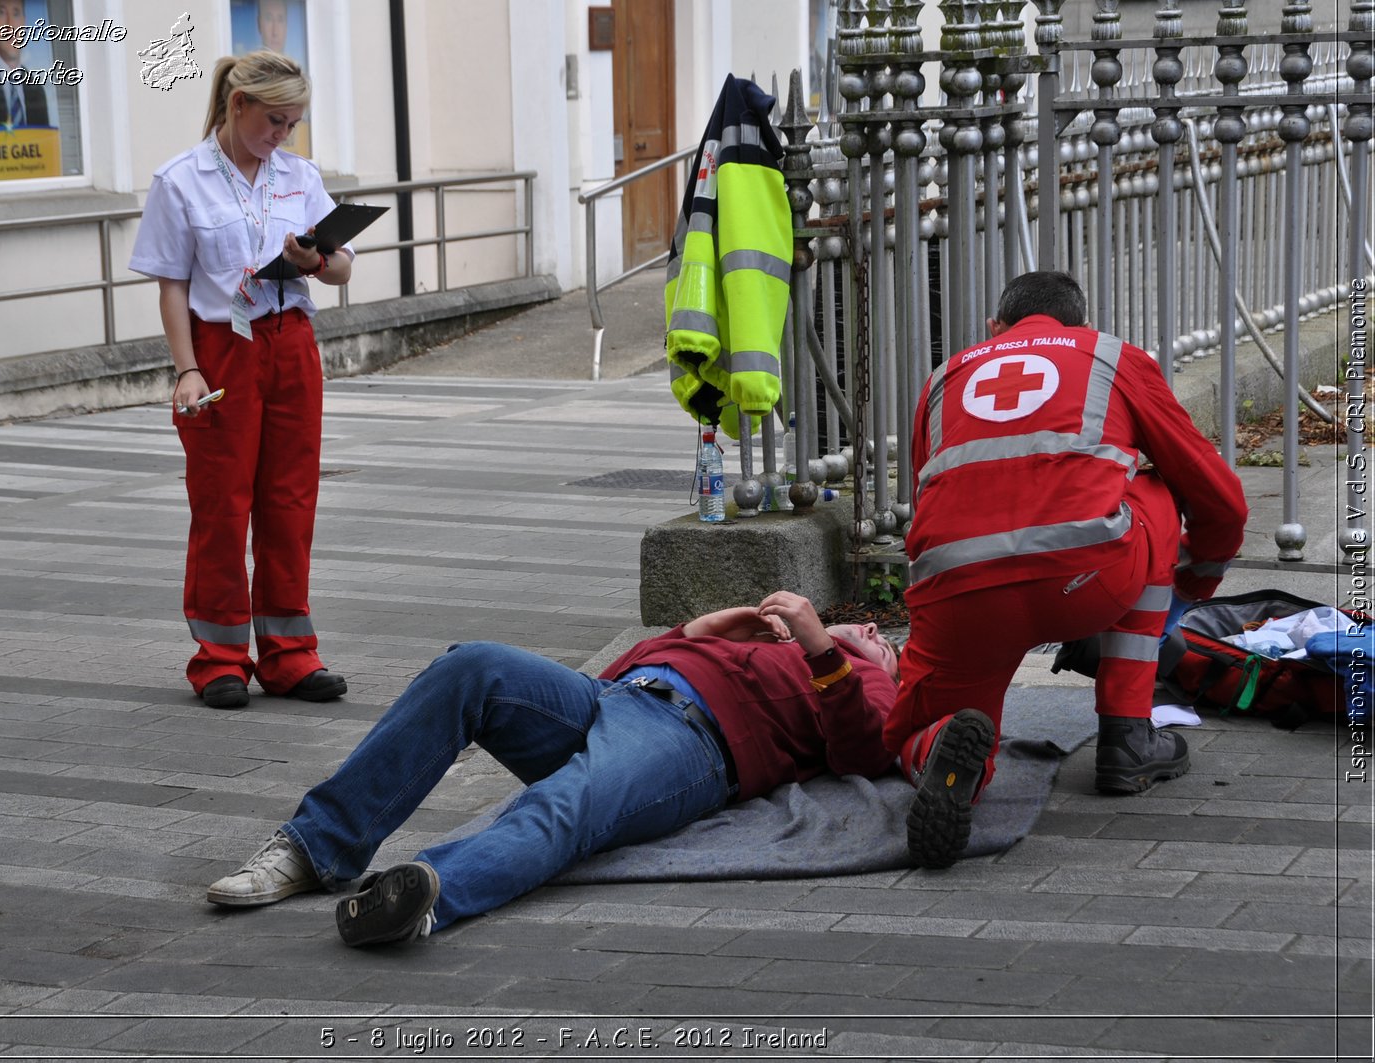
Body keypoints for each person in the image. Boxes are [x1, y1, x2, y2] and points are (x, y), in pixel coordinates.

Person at [204, 592, 901, 947]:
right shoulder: (766, 641)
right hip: (613, 696)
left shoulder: (856, 677)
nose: (877, 632)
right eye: (868, 626)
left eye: (885, 640)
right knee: (471, 665)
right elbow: (628, 665)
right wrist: (704, 630)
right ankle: (314, 846)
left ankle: (423, 898)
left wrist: (823, 648)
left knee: (573, 801)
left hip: (695, 742)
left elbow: (862, 751)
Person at [889, 271, 1248, 869]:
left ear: (994, 330)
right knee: (1153, 488)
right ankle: (1128, 737)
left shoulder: (944, 378)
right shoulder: (1113, 357)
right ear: (1082, 325)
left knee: (915, 729)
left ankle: (945, 758)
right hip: (1089, 575)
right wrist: (1189, 587)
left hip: (958, 591)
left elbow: (934, 501)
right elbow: (1220, 499)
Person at [128, 51, 353, 710]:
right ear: (237, 106)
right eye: (274, 121)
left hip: (291, 342)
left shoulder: (299, 176)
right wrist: (188, 370)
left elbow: (340, 270)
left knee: (290, 499)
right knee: (222, 502)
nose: (282, 135)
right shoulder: (180, 181)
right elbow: (172, 286)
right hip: (222, 348)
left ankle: (289, 653)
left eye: (293, 123)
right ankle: (220, 656)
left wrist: (318, 259)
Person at [0, 0, 51, 130]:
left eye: (16, 13)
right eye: (2, 12)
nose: (10, 24)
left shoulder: (36, 90)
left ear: (24, 21)